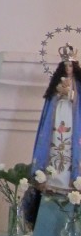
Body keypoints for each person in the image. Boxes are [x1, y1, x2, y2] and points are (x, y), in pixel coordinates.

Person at [31, 44, 81, 189]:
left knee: (70, 144)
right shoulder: (56, 82)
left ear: (74, 67)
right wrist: (58, 93)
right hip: (58, 117)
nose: (68, 69)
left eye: (70, 66)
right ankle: (51, 179)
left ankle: (73, 181)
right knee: (55, 142)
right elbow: (50, 103)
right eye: (65, 66)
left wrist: (71, 95)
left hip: (73, 119)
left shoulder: (78, 84)